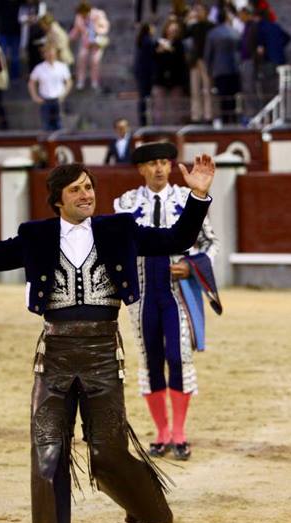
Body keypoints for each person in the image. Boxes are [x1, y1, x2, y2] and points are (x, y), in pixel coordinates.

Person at [0, 154, 216, 523]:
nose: (87, 195)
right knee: (48, 454)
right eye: (76, 190)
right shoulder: (36, 235)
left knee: (108, 451)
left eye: (89, 187)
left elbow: (177, 236)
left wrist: (198, 194)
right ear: (57, 201)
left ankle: (136, 508)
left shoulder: (118, 228)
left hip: (103, 352)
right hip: (54, 355)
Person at [113, 142, 219, 461]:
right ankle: (161, 432)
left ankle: (180, 432)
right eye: (152, 163)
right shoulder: (125, 203)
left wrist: (191, 265)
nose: (159, 168)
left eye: (164, 162)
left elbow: (210, 243)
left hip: (177, 293)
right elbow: (117, 247)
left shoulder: (189, 198)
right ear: (141, 169)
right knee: (150, 359)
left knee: (178, 357)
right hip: (142, 294)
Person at [204, 8, 241, 125]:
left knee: (223, 97)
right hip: (235, 67)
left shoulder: (213, 33)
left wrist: (208, 69)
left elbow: (208, 54)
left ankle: (225, 120)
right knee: (233, 96)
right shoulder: (235, 32)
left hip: (219, 69)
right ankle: (234, 119)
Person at [28, 44, 72, 131]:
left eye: (52, 53)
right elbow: (31, 83)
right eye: (47, 53)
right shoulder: (39, 68)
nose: (50, 55)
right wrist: (35, 97)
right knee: (46, 126)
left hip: (58, 99)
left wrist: (64, 94)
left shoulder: (62, 66)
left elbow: (69, 82)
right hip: (45, 100)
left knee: (60, 125)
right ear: (44, 54)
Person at [152, 18, 188, 125]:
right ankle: (157, 125)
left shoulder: (180, 44)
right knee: (159, 104)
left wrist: (171, 49)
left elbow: (181, 61)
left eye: (175, 30)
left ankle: (177, 124)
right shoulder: (159, 43)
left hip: (175, 78)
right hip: (160, 78)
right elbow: (153, 59)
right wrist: (160, 50)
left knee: (176, 104)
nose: (172, 32)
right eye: (171, 29)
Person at [69, 1, 110, 91]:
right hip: (86, 42)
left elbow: (105, 27)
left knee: (95, 60)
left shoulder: (98, 14)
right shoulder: (79, 17)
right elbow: (76, 30)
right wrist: (69, 37)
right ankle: (81, 80)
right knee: (81, 58)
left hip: (97, 42)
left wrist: (97, 29)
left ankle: (94, 80)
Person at [185, 3, 214, 125]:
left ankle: (208, 115)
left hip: (206, 60)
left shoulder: (211, 26)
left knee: (207, 89)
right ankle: (196, 116)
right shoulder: (192, 27)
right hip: (194, 61)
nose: (198, 12)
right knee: (195, 90)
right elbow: (185, 38)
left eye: (200, 10)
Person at [0, 0, 23, 81]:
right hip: (3, 32)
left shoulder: (20, 2)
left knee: (15, 56)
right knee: (1, 56)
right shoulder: (1, 1)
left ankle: (15, 76)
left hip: (16, 33)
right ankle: (2, 76)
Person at [134, 22, 156, 126]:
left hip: (141, 73)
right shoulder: (148, 41)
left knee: (143, 97)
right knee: (145, 97)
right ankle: (145, 120)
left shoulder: (141, 41)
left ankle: (144, 120)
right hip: (146, 74)